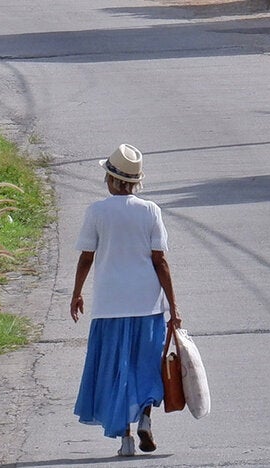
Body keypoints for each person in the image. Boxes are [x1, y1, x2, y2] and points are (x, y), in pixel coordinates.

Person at [70, 143, 181, 457]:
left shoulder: (97, 212)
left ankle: (126, 440)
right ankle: (146, 415)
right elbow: (160, 261)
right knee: (146, 365)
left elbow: (86, 258)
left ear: (110, 179)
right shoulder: (150, 211)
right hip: (148, 305)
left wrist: (77, 293)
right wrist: (174, 307)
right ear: (134, 183)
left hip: (109, 307)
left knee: (117, 371)